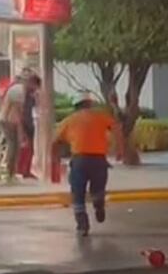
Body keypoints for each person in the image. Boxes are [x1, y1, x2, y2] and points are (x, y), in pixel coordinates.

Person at [55, 98, 123, 236]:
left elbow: (55, 141)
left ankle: (82, 225)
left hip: (79, 160)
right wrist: (119, 149)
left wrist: (54, 159)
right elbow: (117, 128)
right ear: (89, 105)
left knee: (78, 193)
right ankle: (99, 204)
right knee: (98, 188)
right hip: (98, 160)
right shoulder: (101, 117)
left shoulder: (69, 120)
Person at [0, 73, 31, 182]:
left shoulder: (19, 90)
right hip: (8, 121)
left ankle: (10, 172)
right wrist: (20, 130)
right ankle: (8, 171)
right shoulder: (19, 91)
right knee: (13, 145)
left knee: (13, 146)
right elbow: (17, 112)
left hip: (7, 120)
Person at [16, 74, 41, 179]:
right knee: (25, 147)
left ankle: (26, 170)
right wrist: (21, 126)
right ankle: (21, 169)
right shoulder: (23, 95)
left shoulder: (31, 95)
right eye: (35, 85)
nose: (35, 88)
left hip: (29, 123)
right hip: (24, 123)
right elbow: (20, 111)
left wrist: (37, 97)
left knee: (30, 148)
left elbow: (37, 106)